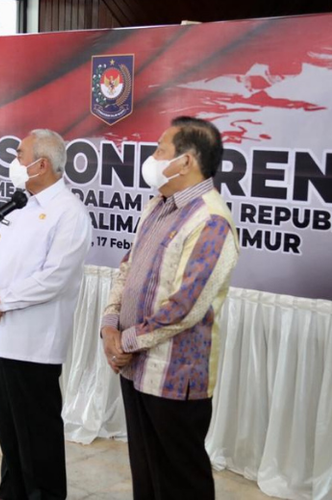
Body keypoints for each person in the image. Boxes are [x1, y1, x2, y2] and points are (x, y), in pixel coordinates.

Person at [101, 116, 239, 499]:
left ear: (187, 161)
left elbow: (184, 306)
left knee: (181, 483)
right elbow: (127, 268)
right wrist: (110, 325)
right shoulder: (157, 206)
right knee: (147, 475)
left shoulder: (211, 220)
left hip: (175, 378)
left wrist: (123, 343)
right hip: (136, 370)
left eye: (160, 150)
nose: (153, 158)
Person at [0, 129, 92, 500]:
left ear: (41, 164)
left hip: (33, 342)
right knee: (8, 427)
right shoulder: (20, 204)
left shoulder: (69, 213)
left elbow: (54, 278)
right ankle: (12, 493)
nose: (14, 161)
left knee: (36, 432)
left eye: (19, 155)